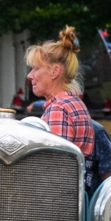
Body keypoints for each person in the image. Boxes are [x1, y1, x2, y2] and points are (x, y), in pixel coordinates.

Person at [25, 26, 94, 160]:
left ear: (55, 71)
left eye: (35, 68)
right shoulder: (74, 103)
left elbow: (55, 165)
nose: (30, 75)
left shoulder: (58, 109)